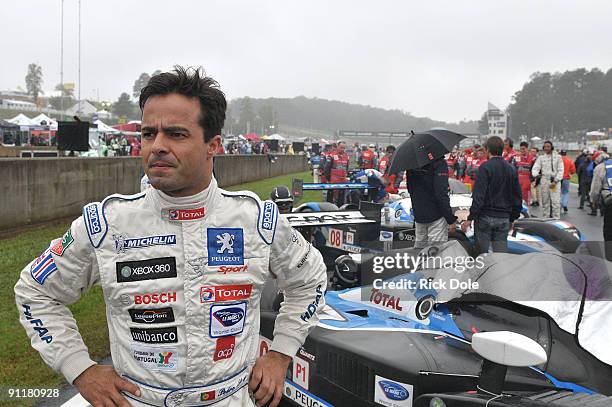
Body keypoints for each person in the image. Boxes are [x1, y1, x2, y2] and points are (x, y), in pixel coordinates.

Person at [14, 66, 327, 407]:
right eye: (149, 134)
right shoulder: (106, 224)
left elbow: (309, 279)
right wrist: (80, 369)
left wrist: (281, 353)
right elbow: (35, 292)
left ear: (213, 145)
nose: (157, 146)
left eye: (176, 134)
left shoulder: (257, 220)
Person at [461, 136, 522, 255]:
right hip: (504, 217)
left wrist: (470, 218)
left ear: (488, 150)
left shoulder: (485, 167)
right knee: (501, 256)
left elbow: (478, 196)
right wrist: (513, 218)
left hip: (485, 216)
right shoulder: (511, 169)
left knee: (482, 257)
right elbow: (517, 197)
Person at [406, 157, 457, 248]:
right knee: (436, 255)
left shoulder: (412, 163)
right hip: (436, 217)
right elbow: (441, 193)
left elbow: (410, 189)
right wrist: (450, 219)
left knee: (419, 253)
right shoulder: (439, 163)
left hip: (419, 215)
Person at [531, 141, 564, 219]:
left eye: (548, 146)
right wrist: (536, 175)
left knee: (555, 203)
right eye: (545, 147)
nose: (546, 148)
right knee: (545, 202)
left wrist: (556, 181)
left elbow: (561, 170)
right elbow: (535, 168)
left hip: (554, 182)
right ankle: (546, 219)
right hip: (544, 180)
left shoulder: (558, 157)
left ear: (551, 147)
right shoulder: (541, 158)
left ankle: (556, 220)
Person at [324, 141, 350, 206]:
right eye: (341, 147)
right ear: (337, 147)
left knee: (341, 199)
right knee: (330, 199)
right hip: (333, 180)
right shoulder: (332, 156)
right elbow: (326, 168)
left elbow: (346, 168)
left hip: (342, 180)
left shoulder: (346, 156)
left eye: (344, 148)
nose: (342, 149)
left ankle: (340, 208)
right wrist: (328, 179)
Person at [589, 152, 611, 217]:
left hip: (608, 198)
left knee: (608, 224)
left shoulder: (599, 168)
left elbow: (595, 189)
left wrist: (593, 201)